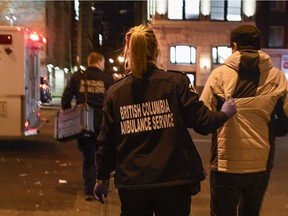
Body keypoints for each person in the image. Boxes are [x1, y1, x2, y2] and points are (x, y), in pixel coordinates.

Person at [94, 24, 237, 216]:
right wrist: (224, 113)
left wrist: (101, 178)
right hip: (172, 180)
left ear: (128, 52)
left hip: (133, 183)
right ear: (156, 51)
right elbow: (202, 122)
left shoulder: (115, 93)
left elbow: (107, 142)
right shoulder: (175, 83)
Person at [200, 24, 288, 216]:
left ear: (234, 46)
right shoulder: (277, 77)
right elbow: (284, 124)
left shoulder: (219, 75)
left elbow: (203, 119)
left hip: (226, 164)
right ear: (259, 46)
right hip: (260, 163)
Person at [61, 51, 114, 201]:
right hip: (102, 123)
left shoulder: (78, 77)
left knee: (89, 157)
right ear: (99, 62)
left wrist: (70, 113)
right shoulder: (107, 78)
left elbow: (66, 98)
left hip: (83, 122)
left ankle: (89, 191)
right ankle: (103, 188)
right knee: (103, 156)